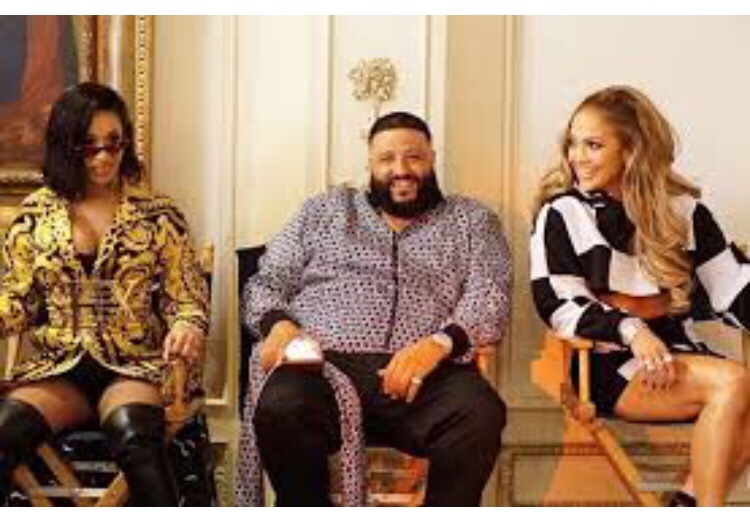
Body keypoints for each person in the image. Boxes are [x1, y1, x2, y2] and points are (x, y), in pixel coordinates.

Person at [236, 111, 512, 506]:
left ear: (432, 158)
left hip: (424, 375)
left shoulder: (472, 220)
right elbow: (266, 281)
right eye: (386, 159)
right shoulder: (323, 212)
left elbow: (491, 293)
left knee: (480, 415)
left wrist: (437, 344)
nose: (401, 170)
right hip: (322, 370)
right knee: (280, 407)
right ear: (370, 164)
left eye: (414, 157)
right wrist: (278, 325)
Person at [530, 85, 750, 506]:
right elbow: (557, 303)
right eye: (573, 143)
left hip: (682, 355)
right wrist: (633, 330)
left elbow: (732, 287)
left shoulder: (684, 212)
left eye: (593, 145)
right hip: (608, 365)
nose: (576, 157)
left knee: (736, 385)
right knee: (735, 381)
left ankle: (686, 506)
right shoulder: (562, 213)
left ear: (632, 150)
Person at [0, 82, 209, 506]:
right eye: (89, 146)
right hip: (59, 369)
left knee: (136, 438)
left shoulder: (158, 215)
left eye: (113, 144)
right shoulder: (35, 215)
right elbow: (17, 299)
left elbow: (187, 297)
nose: (103, 157)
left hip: (131, 367)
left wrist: (188, 324)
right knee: (3, 433)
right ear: (66, 146)